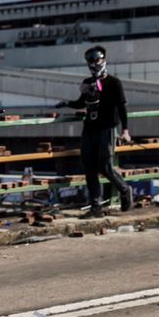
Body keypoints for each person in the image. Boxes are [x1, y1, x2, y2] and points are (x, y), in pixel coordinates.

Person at [57, 45, 133, 217]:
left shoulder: (114, 83)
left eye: (96, 59)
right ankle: (96, 207)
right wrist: (67, 103)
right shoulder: (87, 83)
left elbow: (122, 108)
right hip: (90, 128)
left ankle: (124, 189)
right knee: (89, 167)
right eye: (90, 61)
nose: (93, 64)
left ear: (104, 60)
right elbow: (81, 103)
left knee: (106, 166)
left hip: (106, 128)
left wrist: (125, 130)